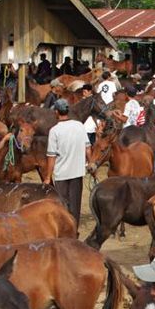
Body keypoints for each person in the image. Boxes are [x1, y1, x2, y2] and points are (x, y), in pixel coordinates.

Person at [46, 99, 90, 232]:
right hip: (77, 172)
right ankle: (74, 230)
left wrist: (48, 176)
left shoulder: (54, 131)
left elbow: (51, 156)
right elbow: (88, 148)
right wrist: (91, 163)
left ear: (56, 112)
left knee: (63, 205)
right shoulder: (79, 126)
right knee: (75, 205)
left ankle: (64, 231)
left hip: (61, 174)